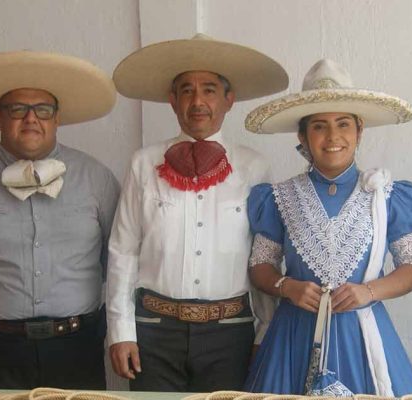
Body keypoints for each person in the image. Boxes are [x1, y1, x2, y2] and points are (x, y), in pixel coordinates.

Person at [0, 50, 120, 389]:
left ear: (57, 119)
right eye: (17, 109)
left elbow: (115, 252)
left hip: (78, 342)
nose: (31, 119)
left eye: (43, 110)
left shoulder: (97, 178)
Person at [106, 33, 288, 392]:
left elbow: (264, 254)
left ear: (229, 99)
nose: (198, 101)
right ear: (173, 101)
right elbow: (123, 250)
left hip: (230, 333)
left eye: (209, 89)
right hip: (153, 331)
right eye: (187, 90)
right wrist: (120, 330)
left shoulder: (254, 166)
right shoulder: (144, 163)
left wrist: (264, 331)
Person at [242, 58, 412, 396]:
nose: (333, 136)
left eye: (343, 124)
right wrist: (287, 286)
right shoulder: (278, 197)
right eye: (319, 126)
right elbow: (260, 266)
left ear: (359, 130)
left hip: (363, 335)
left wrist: (368, 292)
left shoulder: (387, 195)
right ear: (302, 134)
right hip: (293, 338)